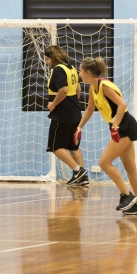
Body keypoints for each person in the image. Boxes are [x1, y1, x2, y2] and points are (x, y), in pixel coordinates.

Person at [76, 57, 137, 215]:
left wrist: (115, 126)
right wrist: (79, 127)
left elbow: (122, 105)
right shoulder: (92, 88)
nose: (79, 73)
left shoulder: (103, 86)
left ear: (88, 72)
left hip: (123, 124)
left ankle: (126, 195)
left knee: (104, 162)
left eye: (81, 70)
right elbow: (89, 110)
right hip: (118, 125)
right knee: (130, 167)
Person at [44, 46, 88, 186]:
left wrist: (53, 105)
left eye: (47, 59)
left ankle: (78, 171)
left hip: (62, 113)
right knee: (72, 146)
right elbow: (78, 89)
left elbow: (63, 90)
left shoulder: (58, 70)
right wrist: (73, 103)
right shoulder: (71, 69)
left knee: (55, 146)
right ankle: (83, 178)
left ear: (53, 58)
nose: (46, 62)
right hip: (75, 110)